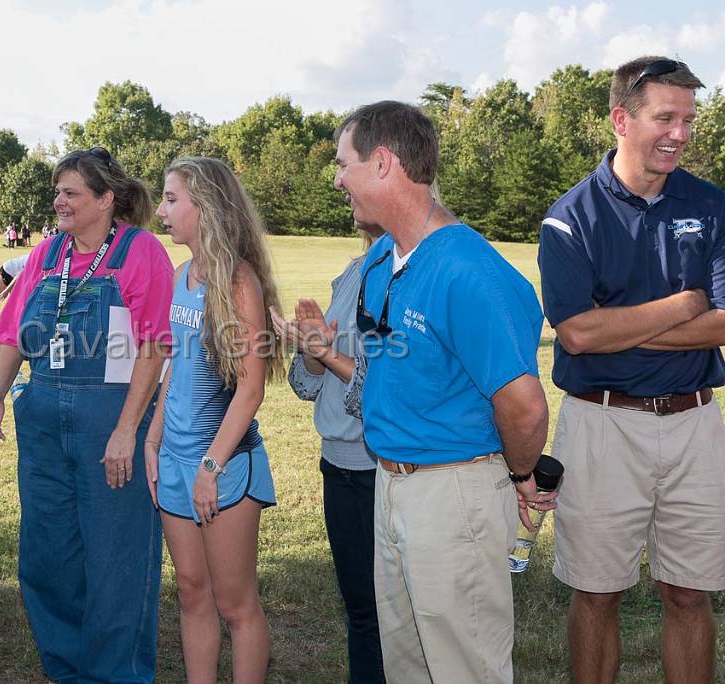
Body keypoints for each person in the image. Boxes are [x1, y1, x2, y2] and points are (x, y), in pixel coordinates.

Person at [335, 101, 553, 683]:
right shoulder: (384, 257)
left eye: (344, 164)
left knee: (465, 668)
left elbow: (525, 407)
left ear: (383, 164)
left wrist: (520, 474)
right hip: (390, 484)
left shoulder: (470, 273)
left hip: (453, 494)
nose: (337, 179)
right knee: (407, 666)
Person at [538, 56, 725, 684]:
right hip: (601, 425)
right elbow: (577, 333)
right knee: (595, 593)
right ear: (621, 119)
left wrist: (621, 327)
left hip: (695, 423)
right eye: (664, 118)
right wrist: (683, 305)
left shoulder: (712, 205)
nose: (680, 132)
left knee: (689, 593)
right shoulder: (570, 217)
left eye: (688, 120)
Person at [0, 147, 173, 683]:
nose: (59, 202)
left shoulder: (140, 252)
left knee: (116, 561)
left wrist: (126, 431)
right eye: (58, 192)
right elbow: (15, 332)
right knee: (48, 557)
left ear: (106, 199)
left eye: (71, 193)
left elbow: (153, 347)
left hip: (108, 419)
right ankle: (67, 670)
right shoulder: (46, 254)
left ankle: (117, 674)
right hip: (42, 420)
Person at [145, 157, 283, 683]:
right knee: (190, 591)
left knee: (235, 603)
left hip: (222, 464)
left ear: (206, 207)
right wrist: (154, 438)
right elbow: (174, 367)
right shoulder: (182, 276)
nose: (161, 210)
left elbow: (250, 389)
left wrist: (210, 465)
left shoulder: (240, 283)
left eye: (172, 199)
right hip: (177, 460)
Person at [271, 222, 386, 684]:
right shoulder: (354, 271)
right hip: (337, 465)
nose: (341, 185)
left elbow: (381, 393)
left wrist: (323, 351)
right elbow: (309, 385)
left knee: (383, 615)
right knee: (361, 610)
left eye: (347, 169)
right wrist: (314, 351)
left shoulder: (400, 277)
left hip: (374, 469)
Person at [0, 253, 30, 328]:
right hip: (7, 271)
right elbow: (19, 274)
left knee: (14, 303)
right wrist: (6, 291)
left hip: (15, 277)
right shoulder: (34, 258)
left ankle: (6, 327)